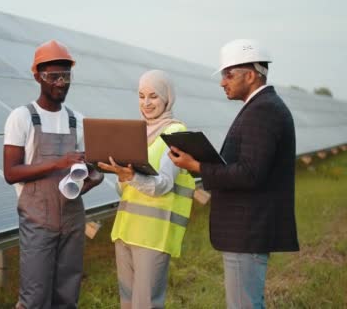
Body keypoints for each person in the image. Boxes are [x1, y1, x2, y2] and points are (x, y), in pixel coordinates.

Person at [168, 39, 299, 308]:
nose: (222, 82)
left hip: (247, 230)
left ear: (250, 75)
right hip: (247, 229)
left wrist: (197, 167)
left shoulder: (263, 110)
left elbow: (250, 174)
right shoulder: (262, 107)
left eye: (229, 74)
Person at [3, 39, 104, 309]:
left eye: (66, 75)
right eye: (53, 76)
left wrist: (93, 179)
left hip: (72, 218)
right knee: (34, 297)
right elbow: (11, 172)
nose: (61, 82)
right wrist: (59, 162)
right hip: (38, 220)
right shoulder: (21, 117)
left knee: (67, 295)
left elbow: (92, 168)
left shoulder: (78, 120)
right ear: (37, 76)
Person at [98, 70, 196, 308]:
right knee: (128, 303)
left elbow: (163, 184)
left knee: (146, 304)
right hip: (125, 231)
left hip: (154, 233)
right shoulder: (136, 132)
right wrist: (121, 176)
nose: (146, 103)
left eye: (153, 96)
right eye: (141, 96)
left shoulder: (176, 132)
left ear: (166, 98)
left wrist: (131, 176)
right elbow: (124, 192)